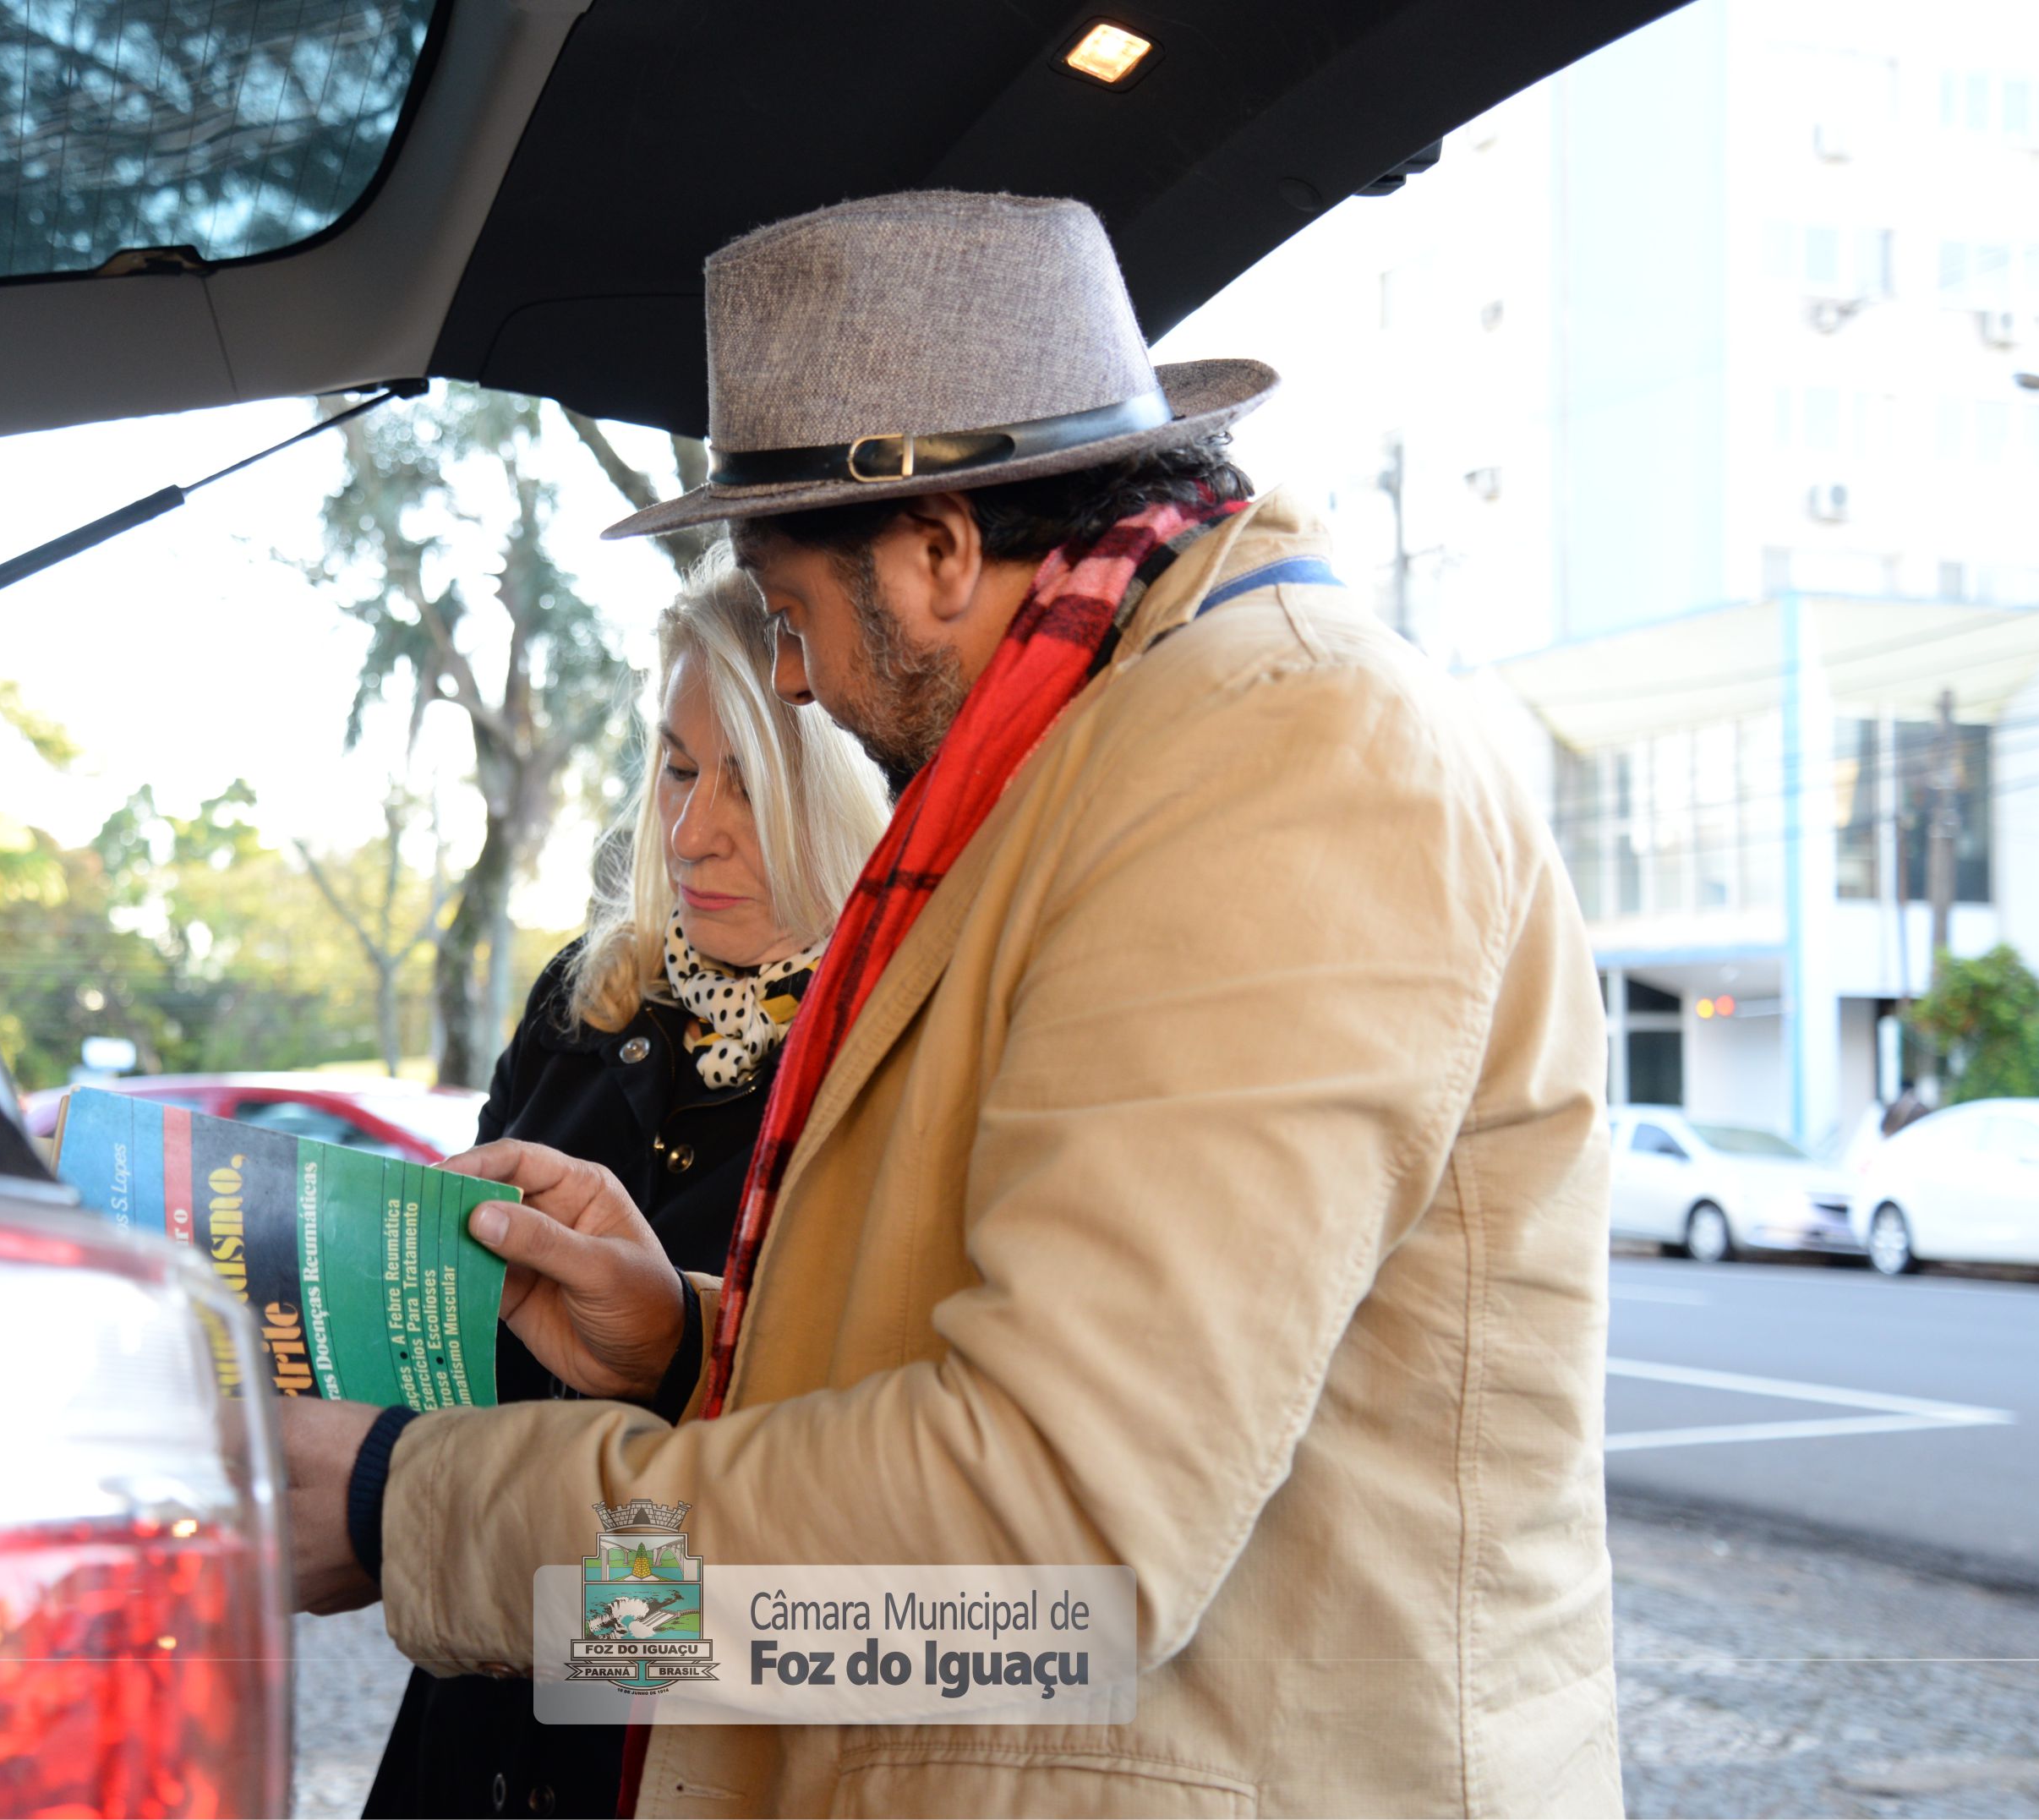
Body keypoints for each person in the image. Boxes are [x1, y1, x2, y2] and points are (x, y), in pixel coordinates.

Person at [287, 190, 1621, 1817]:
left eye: (787, 616)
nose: (789, 683)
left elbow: (1028, 1579)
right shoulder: (1115, 753)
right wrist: (685, 1349)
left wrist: (399, 1510)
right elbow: (1006, 1499)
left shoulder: (1278, 761)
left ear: (932, 551)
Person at [365, 551, 887, 1818]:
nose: (691, 825)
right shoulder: (579, 1000)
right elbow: (449, 1339)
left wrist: (397, 1521)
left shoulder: (886, 1048)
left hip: (679, 1745)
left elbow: (873, 1539)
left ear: (846, 788)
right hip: (468, 1708)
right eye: (675, 764)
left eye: (748, 781)